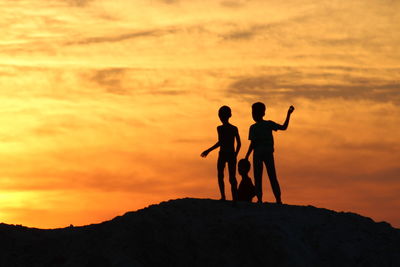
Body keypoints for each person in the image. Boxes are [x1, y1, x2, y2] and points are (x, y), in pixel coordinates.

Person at [245, 102, 294, 204]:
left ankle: (275, 199)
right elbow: (253, 143)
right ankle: (266, 199)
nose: (253, 115)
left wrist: (288, 114)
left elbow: (284, 127)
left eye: (255, 112)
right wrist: (247, 156)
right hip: (260, 154)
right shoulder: (254, 127)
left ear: (263, 113)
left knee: (267, 177)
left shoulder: (265, 124)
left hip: (263, 153)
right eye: (253, 112)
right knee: (263, 177)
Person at [201, 106, 241, 201]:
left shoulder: (233, 128)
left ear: (228, 115)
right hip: (224, 154)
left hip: (229, 154)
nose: (221, 117)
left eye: (222, 115)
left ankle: (234, 198)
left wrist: (235, 154)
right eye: (220, 115)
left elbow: (238, 143)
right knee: (221, 175)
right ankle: (224, 196)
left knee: (231, 178)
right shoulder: (220, 128)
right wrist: (208, 150)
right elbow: (221, 142)